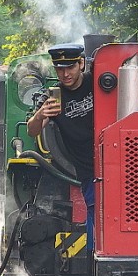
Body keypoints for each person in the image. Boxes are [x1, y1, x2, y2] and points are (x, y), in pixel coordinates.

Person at [26, 44, 95, 240]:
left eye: (70, 67)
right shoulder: (53, 97)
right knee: (94, 215)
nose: (65, 74)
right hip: (87, 169)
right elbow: (32, 130)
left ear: (81, 64)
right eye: (60, 69)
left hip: (113, 164)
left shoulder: (96, 82)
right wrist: (40, 115)